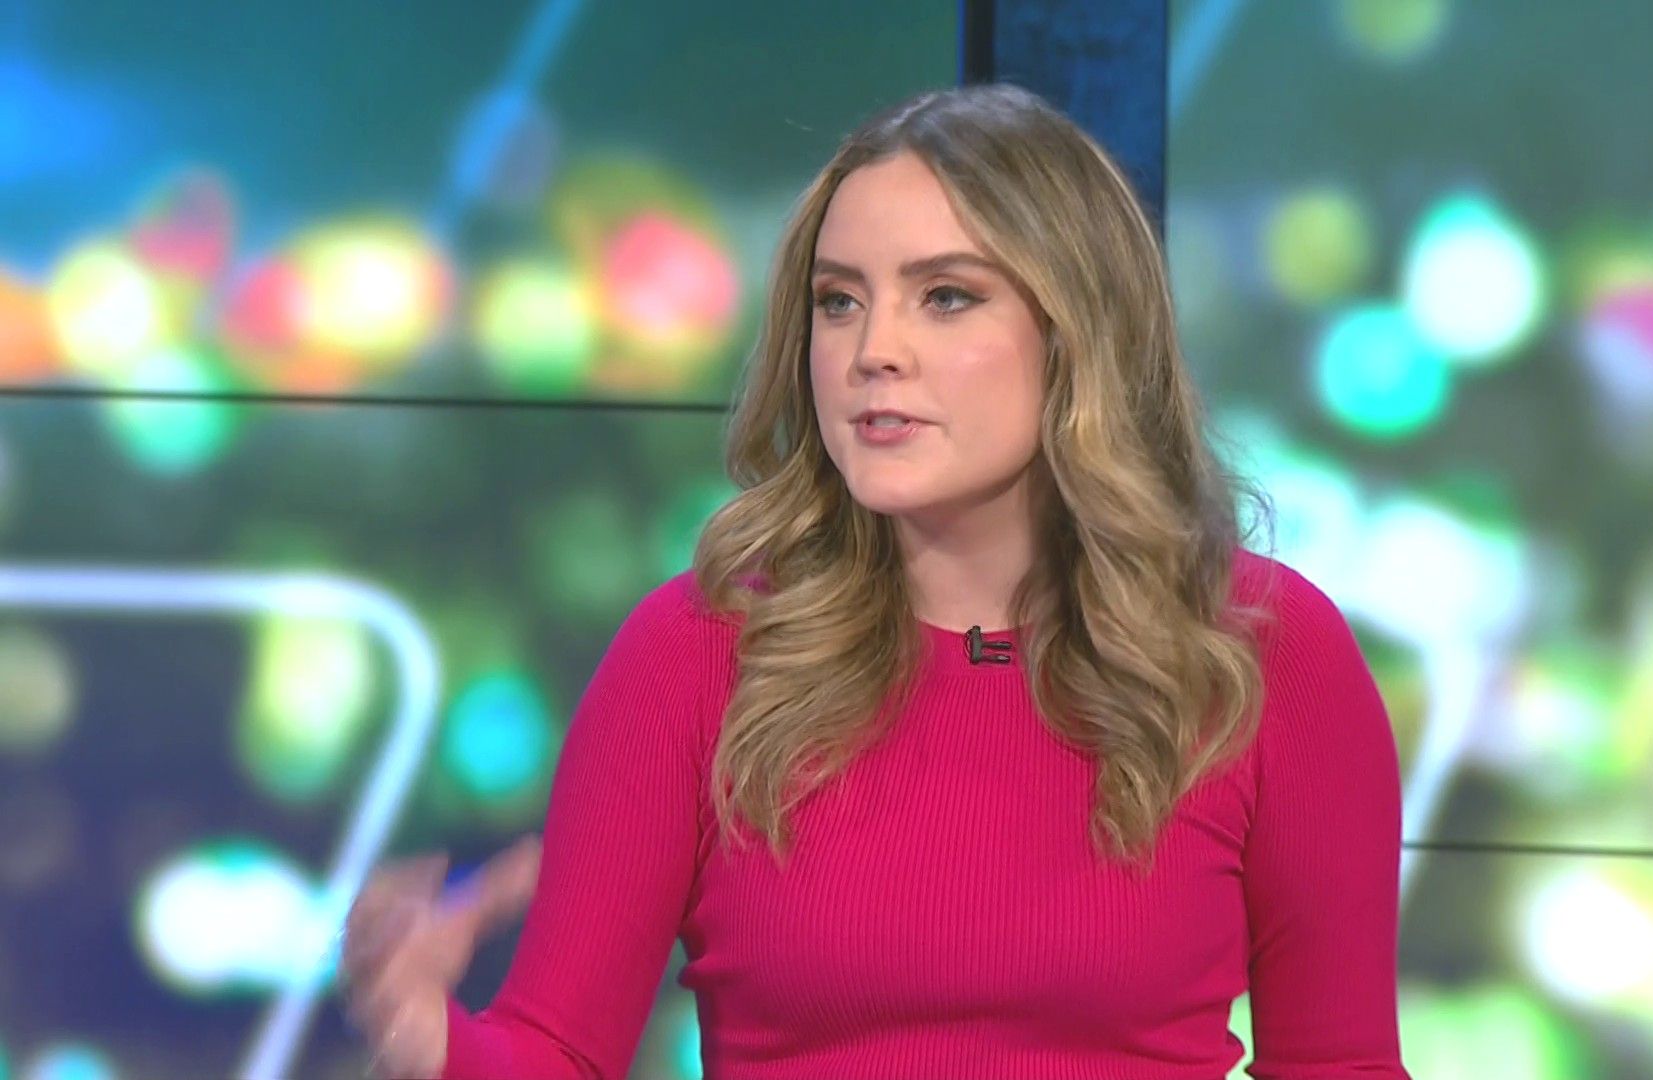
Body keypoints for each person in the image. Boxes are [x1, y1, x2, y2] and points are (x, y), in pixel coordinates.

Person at [341, 82, 1410, 1080]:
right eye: (840, 301)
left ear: (1077, 334)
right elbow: (557, 1054)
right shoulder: (699, 655)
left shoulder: (1264, 654)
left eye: (945, 297)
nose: (872, 351)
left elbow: (1342, 1067)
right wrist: (434, 1043)